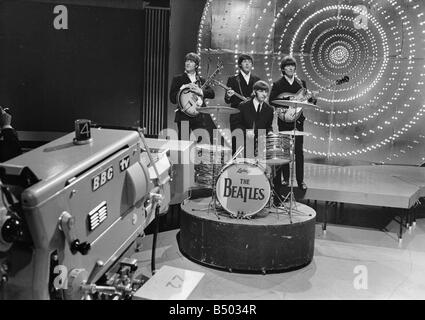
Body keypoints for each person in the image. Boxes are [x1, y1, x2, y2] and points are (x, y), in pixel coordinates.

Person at [269, 56, 316, 191]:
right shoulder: (278, 84)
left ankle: (300, 181)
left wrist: (312, 99)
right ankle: (285, 178)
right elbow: (271, 101)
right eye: (287, 66)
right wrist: (288, 99)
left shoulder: (301, 83)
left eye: (292, 65)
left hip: (298, 120)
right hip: (284, 120)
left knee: (299, 151)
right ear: (283, 69)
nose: (290, 68)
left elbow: (307, 101)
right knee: (285, 151)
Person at [169, 52, 215, 141]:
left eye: (191, 61)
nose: (188, 63)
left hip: (198, 116)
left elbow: (212, 93)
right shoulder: (178, 79)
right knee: (184, 143)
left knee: (203, 141)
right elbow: (172, 98)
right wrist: (182, 90)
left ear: (196, 65)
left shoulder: (201, 80)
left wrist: (200, 91)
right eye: (187, 61)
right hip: (183, 116)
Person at [224, 54, 261, 154]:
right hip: (237, 116)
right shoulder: (233, 79)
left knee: (251, 147)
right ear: (240, 64)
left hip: (252, 117)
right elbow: (227, 100)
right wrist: (228, 95)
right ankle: (236, 168)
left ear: (252, 65)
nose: (247, 63)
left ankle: (250, 169)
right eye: (245, 61)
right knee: (236, 145)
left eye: (249, 62)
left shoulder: (257, 80)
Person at [234, 80, 274, 158]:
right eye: (261, 91)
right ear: (254, 92)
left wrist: (270, 132)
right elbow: (236, 124)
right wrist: (246, 132)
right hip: (245, 141)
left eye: (266, 92)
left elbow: (268, 126)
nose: (264, 94)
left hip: (261, 144)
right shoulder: (243, 106)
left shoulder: (269, 109)